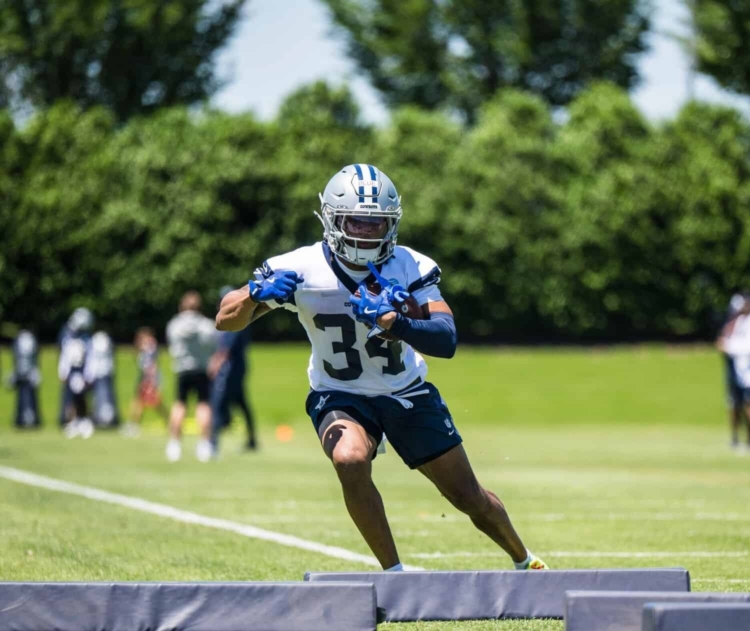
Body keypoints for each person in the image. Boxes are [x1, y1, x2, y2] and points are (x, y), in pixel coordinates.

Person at [215, 163, 547, 572]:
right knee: (350, 459)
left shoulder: (408, 265)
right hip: (340, 392)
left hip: (404, 390)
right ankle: (394, 573)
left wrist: (395, 323)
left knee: (468, 496)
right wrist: (252, 295)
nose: (367, 233)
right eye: (358, 221)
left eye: (378, 224)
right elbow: (225, 318)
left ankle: (524, 559)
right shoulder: (299, 267)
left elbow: (446, 337)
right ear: (333, 219)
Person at [166, 291, 219, 462]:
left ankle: (174, 445)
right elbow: (213, 348)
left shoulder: (174, 325)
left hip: (182, 369)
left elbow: (172, 345)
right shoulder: (207, 325)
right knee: (203, 406)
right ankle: (204, 445)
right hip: (201, 369)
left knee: (179, 405)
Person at [209, 286, 258, 454]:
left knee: (217, 403)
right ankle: (252, 440)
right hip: (239, 369)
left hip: (229, 371)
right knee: (242, 404)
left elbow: (225, 350)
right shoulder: (244, 318)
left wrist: (215, 365)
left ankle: (213, 444)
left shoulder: (235, 320)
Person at [717, 293, 750, 450]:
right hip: (741, 372)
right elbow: (731, 338)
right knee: (743, 406)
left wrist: (729, 348)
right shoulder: (740, 321)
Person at [122, 327, 167, 437]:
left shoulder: (150, 346)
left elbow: (153, 363)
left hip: (149, 377)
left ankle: (169, 420)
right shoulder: (145, 347)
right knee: (140, 401)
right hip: (144, 376)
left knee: (154, 402)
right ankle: (134, 424)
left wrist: (151, 379)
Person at [58, 307, 95, 438]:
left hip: (82, 371)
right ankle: (72, 422)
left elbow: (90, 357)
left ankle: (84, 421)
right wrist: (63, 371)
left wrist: (89, 374)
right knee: (70, 398)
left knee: (82, 398)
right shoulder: (67, 336)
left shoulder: (87, 338)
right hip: (72, 372)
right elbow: (65, 356)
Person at [720, 294, 745, 449]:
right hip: (732, 369)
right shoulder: (729, 325)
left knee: (749, 404)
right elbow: (721, 344)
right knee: (733, 404)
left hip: (749, 370)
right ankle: (735, 437)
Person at [86, 330, 120, 429]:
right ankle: (99, 418)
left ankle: (105, 419)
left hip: (102, 374)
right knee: (98, 398)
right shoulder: (100, 342)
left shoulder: (98, 342)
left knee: (104, 398)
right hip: (99, 374)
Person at [10, 330, 42, 428]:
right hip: (20, 374)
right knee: (21, 399)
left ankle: (31, 419)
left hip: (30, 374)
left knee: (31, 398)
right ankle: (20, 419)